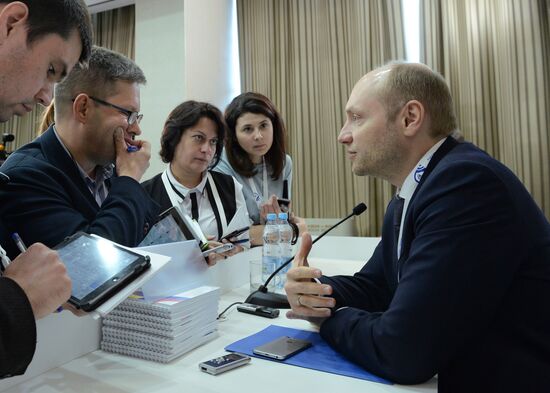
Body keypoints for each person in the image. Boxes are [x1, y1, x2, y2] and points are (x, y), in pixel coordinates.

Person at [284, 62, 550, 392]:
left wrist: (325, 318)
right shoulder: (414, 191)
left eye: (357, 117)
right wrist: (317, 291)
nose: (343, 135)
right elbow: (379, 286)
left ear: (410, 118)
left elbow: (403, 351)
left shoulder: (465, 184)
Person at [0, 0, 92, 378]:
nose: (45, 97)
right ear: (12, 23)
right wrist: (19, 297)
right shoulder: (33, 170)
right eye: (51, 70)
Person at [0, 46, 159, 259]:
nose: (136, 129)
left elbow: (149, 239)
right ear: (83, 108)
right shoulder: (26, 177)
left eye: (136, 116)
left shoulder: (110, 168)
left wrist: (193, 253)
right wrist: (129, 181)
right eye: (127, 114)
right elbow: (92, 266)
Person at [142, 101, 249, 265]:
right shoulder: (145, 195)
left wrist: (231, 251)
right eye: (199, 138)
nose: (207, 149)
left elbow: (244, 244)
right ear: (174, 139)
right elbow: (140, 259)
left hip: (224, 284)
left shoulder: (229, 186)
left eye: (213, 141)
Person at [215, 92, 305, 245]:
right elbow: (233, 236)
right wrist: (295, 229)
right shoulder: (221, 165)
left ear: (273, 126)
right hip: (236, 256)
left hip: (274, 250)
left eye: (263, 126)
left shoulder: (284, 163)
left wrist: (282, 227)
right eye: (248, 129)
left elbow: (285, 217)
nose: (258, 136)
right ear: (234, 135)